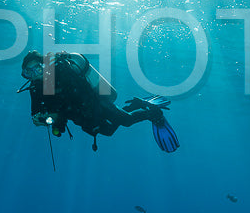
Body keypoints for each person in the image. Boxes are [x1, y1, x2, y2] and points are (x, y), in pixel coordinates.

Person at [19, 50, 179, 152]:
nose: (34, 74)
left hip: (94, 103)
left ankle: (153, 113)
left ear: (45, 65)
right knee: (108, 131)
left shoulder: (61, 73)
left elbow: (77, 93)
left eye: (38, 68)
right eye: (28, 72)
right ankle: (136, 104)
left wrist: (56, 114)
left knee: (126, 121)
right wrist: (44, 121)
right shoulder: (35, 89)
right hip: (79, 116)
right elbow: (39, 114)